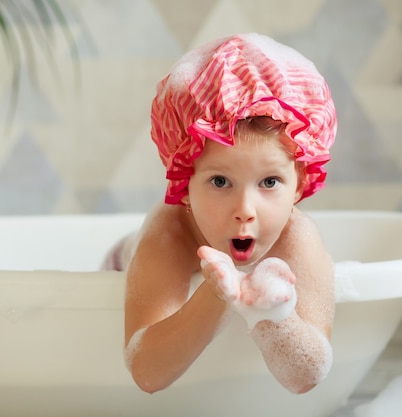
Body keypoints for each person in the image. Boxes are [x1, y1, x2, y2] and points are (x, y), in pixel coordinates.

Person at [104, 33, 338, 395]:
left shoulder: (299, 236)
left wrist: (272, 313)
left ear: (300, 183)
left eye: (270, 182)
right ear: (184, 180)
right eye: (219, 181)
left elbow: (308, 376)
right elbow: (147, 373)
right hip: (118, 266)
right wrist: (215, 295)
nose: (245, 210)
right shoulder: (168, 233)